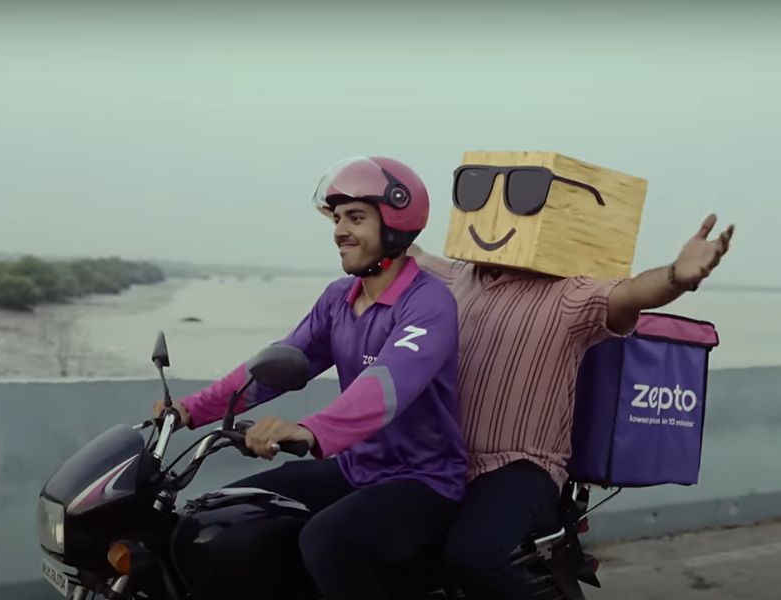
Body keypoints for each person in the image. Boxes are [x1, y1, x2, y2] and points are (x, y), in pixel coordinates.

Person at [155, 157, 468, 600]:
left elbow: (387, 386)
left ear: (396, 223)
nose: (340, 230)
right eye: (337, 219)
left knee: (329, 543)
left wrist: (309, 430)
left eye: (355, 218)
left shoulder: (428, 303)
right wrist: (190, 410)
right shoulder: (339, 300)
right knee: (219, 520)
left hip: (422, 479)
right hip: (355, 467)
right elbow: (274, 365)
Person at [412, 209, 734, 600]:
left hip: (521, 467)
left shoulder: (570, 295)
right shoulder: (459, 277)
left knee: (475, 557)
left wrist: (675, 277)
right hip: (446, 460)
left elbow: (632, 293)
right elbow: (409, 252)